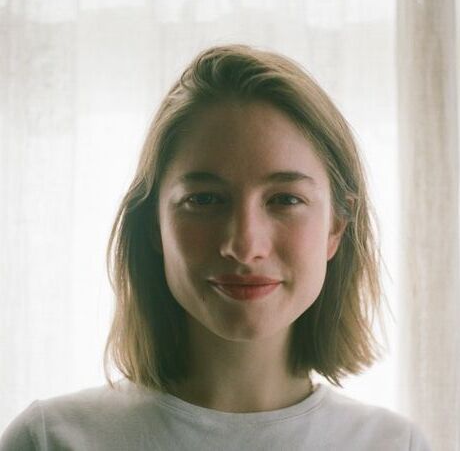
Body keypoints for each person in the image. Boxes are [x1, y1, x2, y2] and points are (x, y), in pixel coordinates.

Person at [0, 44, 432, 450]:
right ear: (153, 224)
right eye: (204, 200)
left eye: (285, 200)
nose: (244, 246)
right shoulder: (49, 440)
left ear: (336, 226)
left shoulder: (396, 445)